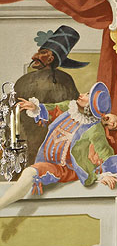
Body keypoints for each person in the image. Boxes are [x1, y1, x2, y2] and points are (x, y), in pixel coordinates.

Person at [0, 82, 117, 211]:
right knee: (29, 172)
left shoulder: (95, 128)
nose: (80, 95)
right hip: (48, 161)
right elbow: (54, 108)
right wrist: (35, 107)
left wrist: (108, 173)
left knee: (30, 173)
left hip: (67, 168)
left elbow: (103, 150)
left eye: (87, 96)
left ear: (92, 106)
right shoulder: (70, 108)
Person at [14, 25, 88, 159]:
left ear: (51, 59)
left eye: (43, 53)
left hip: (56, 143)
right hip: (25, 143)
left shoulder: (65, 80)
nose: (34, 56)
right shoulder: (22, 81)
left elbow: (74, 110)